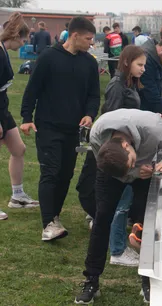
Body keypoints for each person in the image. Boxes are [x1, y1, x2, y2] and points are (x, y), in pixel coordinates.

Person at [74, 109, 162, 305]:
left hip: (146, 172)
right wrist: (132, 169)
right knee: (102, 218)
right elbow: (107, 166)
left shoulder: (153, 129)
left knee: (146, 224)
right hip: (113, 172)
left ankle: (148, 281)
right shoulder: (97, 133)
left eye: (132, 158)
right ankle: (91, 279)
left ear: (127, 145)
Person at [20, 17, 100, 241]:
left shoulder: (90, 63)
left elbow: (94, 95)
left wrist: (89, 114)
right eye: (88, 39)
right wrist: (27, 117)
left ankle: (54, 216)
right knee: (50, 171)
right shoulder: (48, 57)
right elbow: (32, 89)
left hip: (73, 129)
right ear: (74, 36)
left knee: (65, 175)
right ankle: (48, 224)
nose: (91, 43)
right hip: (48, 126)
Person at [77, 45, 146, 267]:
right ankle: (116, 249)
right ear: (126, 63)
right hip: (116, 151)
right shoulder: (117, 86)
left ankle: (116, 246)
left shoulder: (128, 84)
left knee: (121, 203)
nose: (143, 69)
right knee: (120, 204)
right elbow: (111, 121)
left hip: (121, 149)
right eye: (140, 64)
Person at [0, 12, 39, 221]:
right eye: (23, 39)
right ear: (14, 35)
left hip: (3, 108)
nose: (24, 43)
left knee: (19, 149)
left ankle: (17, 196)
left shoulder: (4, 51)